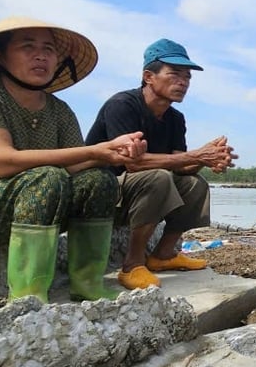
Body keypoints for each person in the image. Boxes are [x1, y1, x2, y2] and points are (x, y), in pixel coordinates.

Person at [0, 17, 147, 303]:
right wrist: (94, 150)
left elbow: (75, 167)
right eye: (28, 47)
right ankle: (28, 296)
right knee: (47, 177)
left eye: (48, 49)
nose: (41, 55)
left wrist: (113, 155)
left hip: (28, 202)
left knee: (98, 179)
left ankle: (87, 283)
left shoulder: (59, 111)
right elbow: (1, 161)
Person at [86, 38, 238, 290]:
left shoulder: (175, 118)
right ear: (149, 76)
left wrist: (209, 160)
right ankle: (132, 265)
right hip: (103, 190)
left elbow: (180, 164)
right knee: (158, 177)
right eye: (175, 74)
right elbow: (133, 164)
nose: (183, 82)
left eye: (188, 77)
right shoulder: (122, 106)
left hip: (137, 191)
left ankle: (163, 255)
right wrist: (197, 155)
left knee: (194, 184)